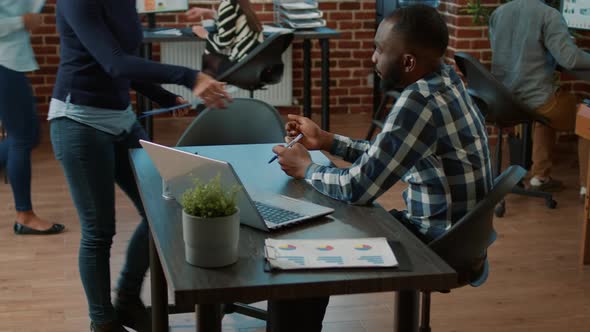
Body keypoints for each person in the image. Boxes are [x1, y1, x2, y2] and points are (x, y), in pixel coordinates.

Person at [268, 5, 493, 331]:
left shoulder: (418, 102)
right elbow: (387, 156)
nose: (373, 58)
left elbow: (356, 189)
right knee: (323, 229)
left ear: (407, 62)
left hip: (435, 244)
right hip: (461, 239)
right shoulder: (447, 80)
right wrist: (328, 141)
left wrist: (305, 167)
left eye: (380, 49)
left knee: (299, 263)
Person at [51, 1, 231, 332]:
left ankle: (127, 301)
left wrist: (163, 95)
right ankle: (103, 321)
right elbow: (114, 63)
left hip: (121, 120)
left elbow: (125, 62)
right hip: (79, 124)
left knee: (163, 208)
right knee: (99, 231)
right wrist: (189, 77)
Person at [489, 0, 590, 196]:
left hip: (506, 102)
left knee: (545, 113)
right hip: (537, 101)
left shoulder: (498, 13)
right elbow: (570, 58)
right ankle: (588, 189)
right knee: (587, 114)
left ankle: (540, 176)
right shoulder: (548, 15)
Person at [0, 1, 65, 235]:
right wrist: (22, 21)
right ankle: (24, 216)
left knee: (30, 136)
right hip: (3, 64)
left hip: (11, 63)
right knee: (22, 138)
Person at [186, 0, 264, 76]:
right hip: (255, 63)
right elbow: (230, 20)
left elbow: (224, 42)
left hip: (242, 65)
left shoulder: (228, 3)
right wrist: (210, 13)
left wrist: (205, 34)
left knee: (209, 59)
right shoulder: (241, 2)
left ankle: (208, 86)